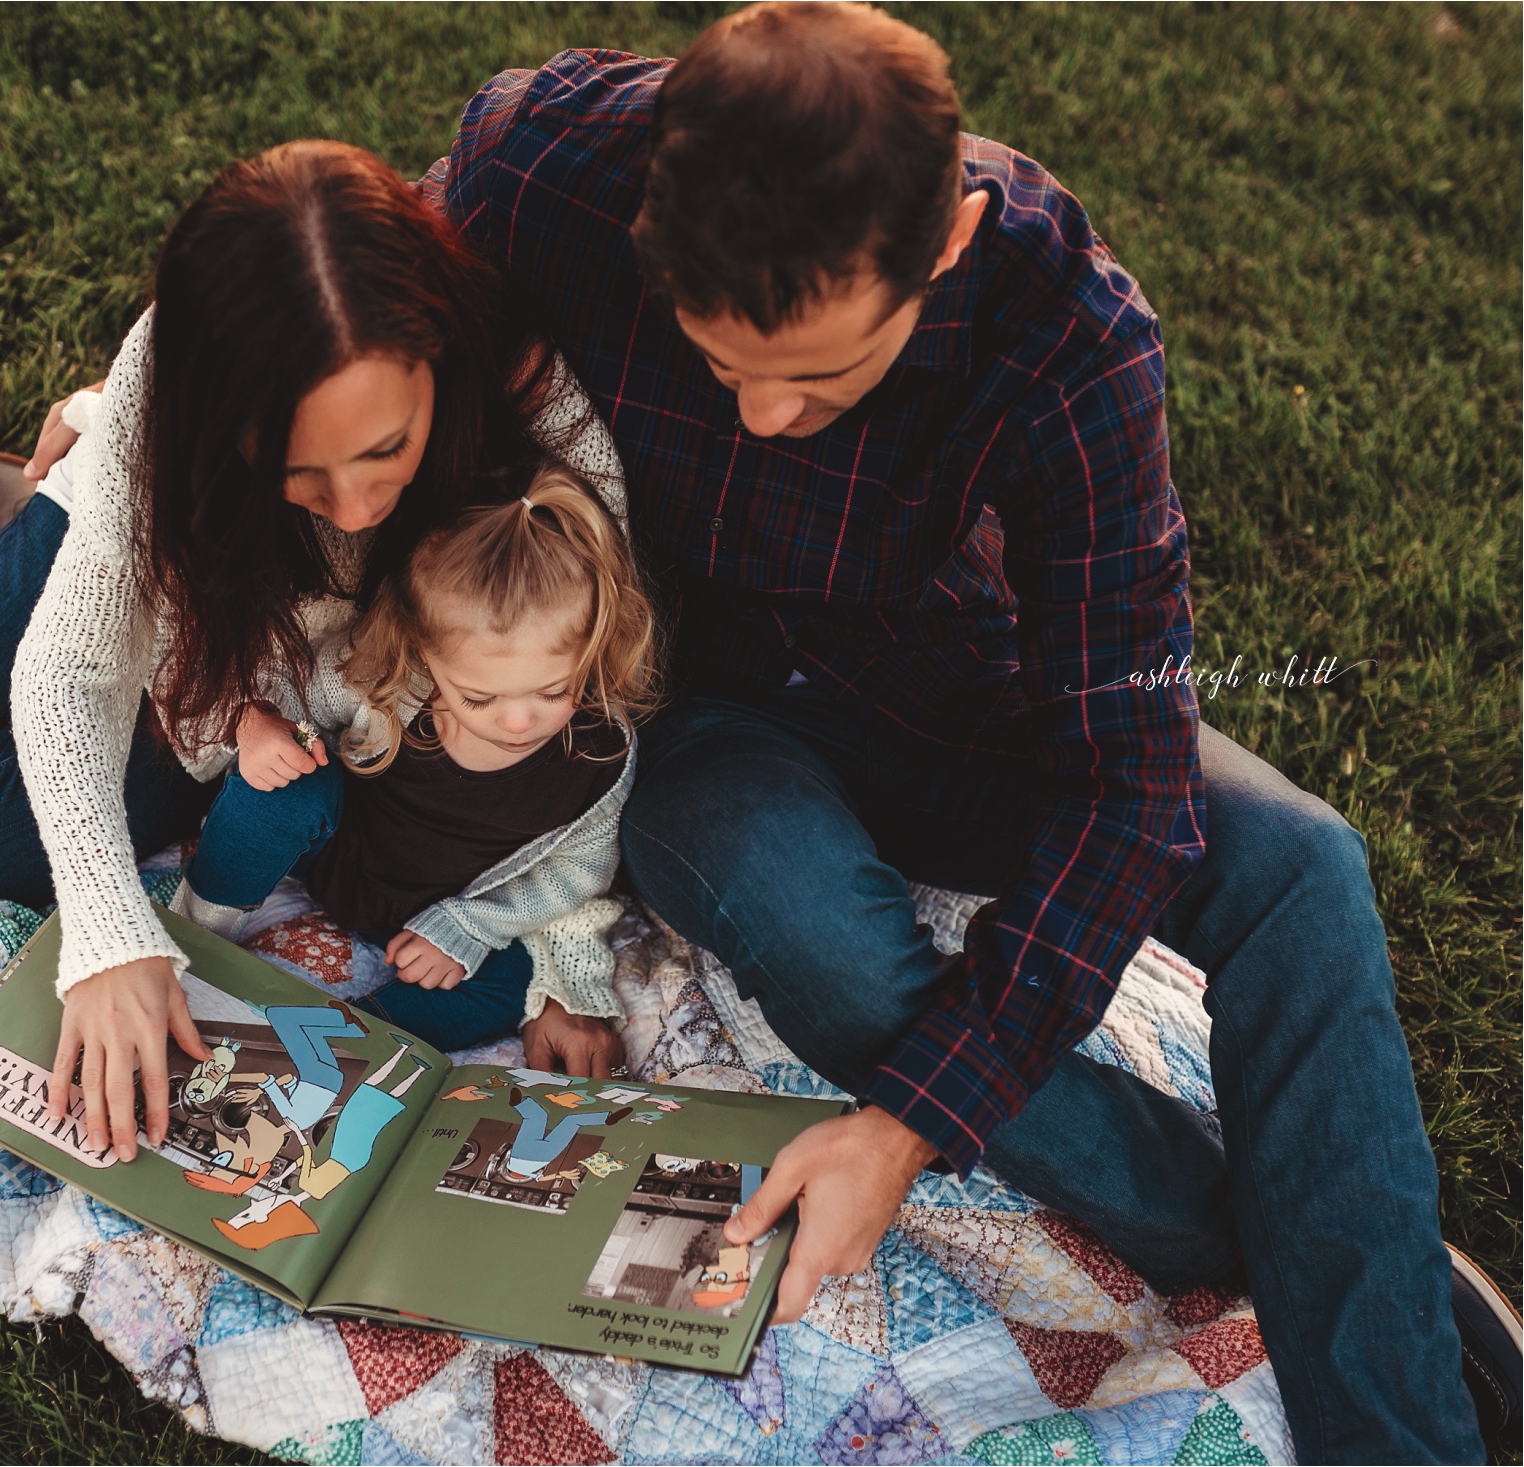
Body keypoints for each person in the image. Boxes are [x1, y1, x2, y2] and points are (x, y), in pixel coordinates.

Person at [381, 3, 1512, 1460]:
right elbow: (345, 288)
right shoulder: (547, 162)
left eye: (823, 374)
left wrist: (905, 1125)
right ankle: (1327, 1243)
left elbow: (1131, 773)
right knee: (814, 923)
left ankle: (1397, 1416)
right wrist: (134, 406)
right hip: (692, 718)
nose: (769, 414)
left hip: (951, 681)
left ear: (951, 242)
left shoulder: (1069, 336)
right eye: (723, 363)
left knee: (1301, 858)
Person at [0, 140, 634, 1179]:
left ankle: (6, 508)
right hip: (152, 573)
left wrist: (562, 957)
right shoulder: (169, 413)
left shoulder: (523, 396)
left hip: (254, 688)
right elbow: (74, 671)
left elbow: (588, 699)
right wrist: (108, 937)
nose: (359, 506)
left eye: (385, 449)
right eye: (299, 470)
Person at [176, 462, 656, 1059]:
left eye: (554, 691)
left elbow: (575, 875)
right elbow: (283, 695)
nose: (517, 721)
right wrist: (256, 726)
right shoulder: (383, 675)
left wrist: (474, 924)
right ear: (424, 650)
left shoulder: (599, 754)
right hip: (335, 850)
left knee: (509, 987)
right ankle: (188, 934)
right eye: (478, 697)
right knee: (280, 789)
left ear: (593, 646)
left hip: (433, 915)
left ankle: (340, 1044)